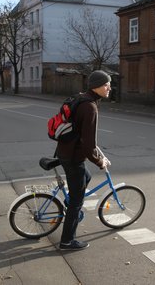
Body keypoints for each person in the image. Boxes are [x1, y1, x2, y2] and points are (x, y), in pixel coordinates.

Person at [55, 70, 112, 250]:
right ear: (96, 86)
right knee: (76, 202)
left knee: (85, 177)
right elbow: (88, 145)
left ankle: (69, 201)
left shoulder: (80, 99)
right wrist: (100, 162)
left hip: (64, 151)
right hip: (73, 157)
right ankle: (67, 241)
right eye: (106, 84)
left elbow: (82, 136)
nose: (109, 87)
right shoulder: (90, 107)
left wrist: (98, 153)